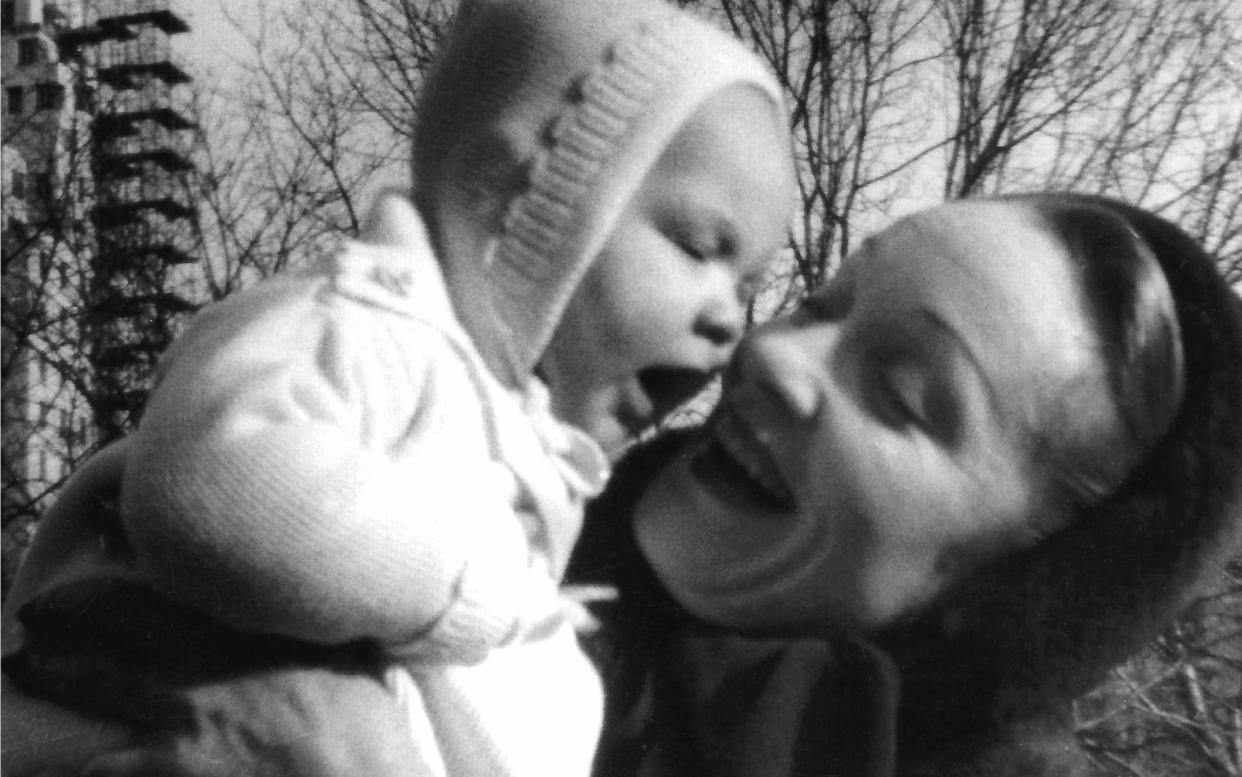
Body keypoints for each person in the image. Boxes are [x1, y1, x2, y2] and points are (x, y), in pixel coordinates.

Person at [0, 0, 795, 774]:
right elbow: (214, 488)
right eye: (700, 247)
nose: (731, 317)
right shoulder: (360, 327)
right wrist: (479, 588)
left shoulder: (516, 440)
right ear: (522, 202)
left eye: (750, 279)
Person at [565, 193, 1242, 776]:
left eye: (900, 392)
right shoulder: (483, 513)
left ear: (1012, 580)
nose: (771, 351)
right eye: (818, 304)